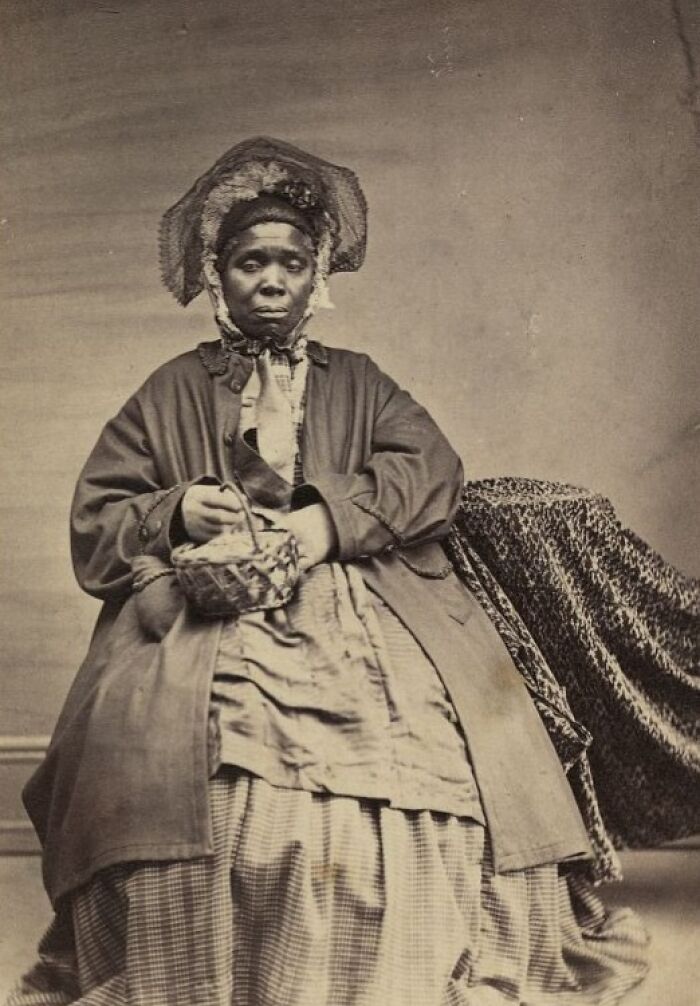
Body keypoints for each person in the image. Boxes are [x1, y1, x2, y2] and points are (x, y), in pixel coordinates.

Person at [6, 137, 650, 1006]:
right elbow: (98, 520)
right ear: (217, 275)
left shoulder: (361, 382)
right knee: (189, 752)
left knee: (420, 744)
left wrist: (323, 522)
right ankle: (215, 964)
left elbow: (433, 473)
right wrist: (178, 510)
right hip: (207, 609)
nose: (271, 281)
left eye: (291, 263)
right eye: (250, 263)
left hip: (364, 596)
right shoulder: (167, 391)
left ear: (317, 278)